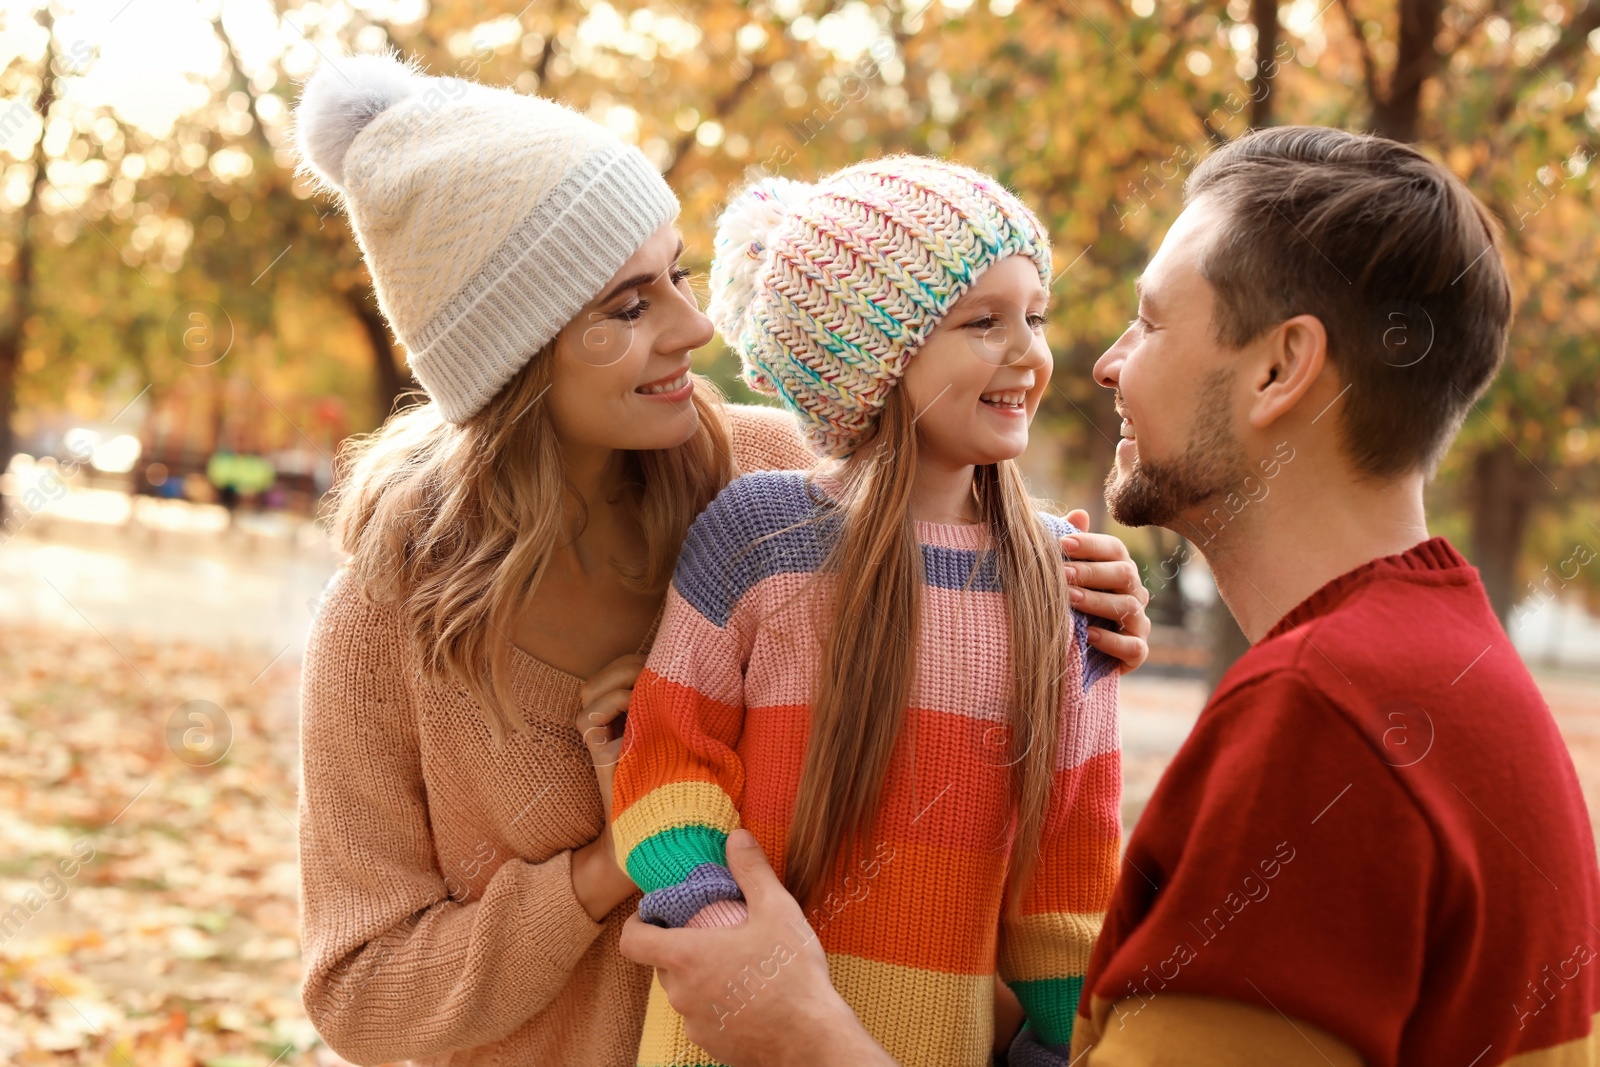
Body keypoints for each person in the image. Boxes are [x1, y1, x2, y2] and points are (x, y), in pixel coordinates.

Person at [620, 126, 1600, 1066]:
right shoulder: (1455, 686)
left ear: (1277, 367)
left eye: (1152, 318)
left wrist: (804, 1036)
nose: (1098, 362)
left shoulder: (1323, 727)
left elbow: (1064, 893)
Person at [291, 54, 1151, 1067]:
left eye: (679, 275)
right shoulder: (387, 620)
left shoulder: (770, 474)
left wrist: (1076, 592)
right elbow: (359, 989)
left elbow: (946, 525)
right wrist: (614, 861)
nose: (695, 327)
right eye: (627, 306)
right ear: (512, 352)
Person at [612, 158, 1130, 1067]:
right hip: (723, 1037)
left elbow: (1070, 873)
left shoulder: (1061, 587)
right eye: (984, 323)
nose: (1031, 354)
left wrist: (1059, 1048)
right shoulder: (757, 538)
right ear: (874, 361)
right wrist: (733, 941)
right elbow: (666, 761)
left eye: (1034, 317)